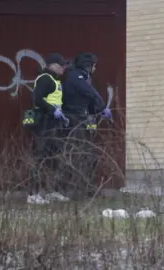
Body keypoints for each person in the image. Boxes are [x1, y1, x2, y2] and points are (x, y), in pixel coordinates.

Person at [62, 52, 112, 199]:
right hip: (75, 119)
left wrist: (98, 110)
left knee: (88, 155)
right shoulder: (76, 76)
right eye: (94, 65)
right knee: (82, 154)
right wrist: (103, 107)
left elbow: (87, 99)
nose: (95, 68)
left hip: (81, 118)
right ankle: (80, 190)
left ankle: (88, 188)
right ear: (87, 65)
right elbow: (89, 92)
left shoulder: (82, 76)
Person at [27, 53, 71, 204]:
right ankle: (33, 194)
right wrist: (53, 111)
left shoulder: (55, 80)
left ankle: (53, 191)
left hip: (54, 123)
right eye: (61, 64)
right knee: (40, 157)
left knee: (55, 158)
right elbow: (37, 99)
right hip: (44, 124)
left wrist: (61, 115)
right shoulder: (45, 78)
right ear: (52, 65)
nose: (64, 67)